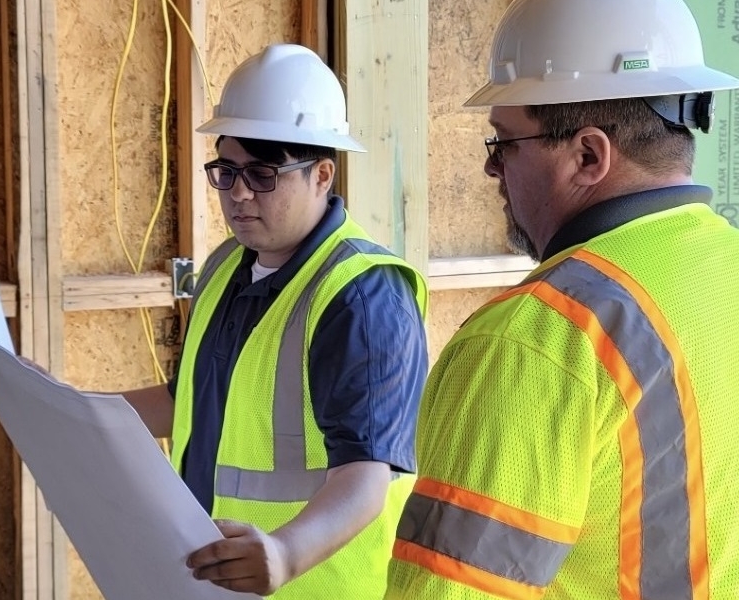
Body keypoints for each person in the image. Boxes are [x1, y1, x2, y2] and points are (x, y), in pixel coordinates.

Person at [387, 0, 739, 598]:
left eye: (504, 143)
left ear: (588, 156)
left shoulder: (536, 336)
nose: (491, 168)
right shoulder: (724, 267)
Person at [120, 44, 429, 598]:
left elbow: (367, 476)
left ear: (321, 174)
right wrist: (74, 408)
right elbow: (190, 396)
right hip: (212, 576)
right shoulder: (224, 268)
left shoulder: (362, 295)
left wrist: (286, 554)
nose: (238, 193)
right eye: (227, 170)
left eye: (263, 173)